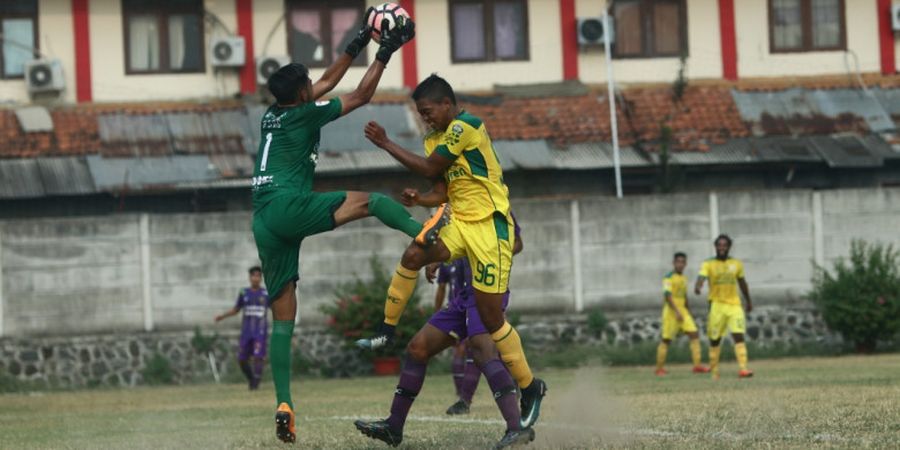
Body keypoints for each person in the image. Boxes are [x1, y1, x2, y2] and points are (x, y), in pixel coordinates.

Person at [251, 11, 423, 443]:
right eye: (309, 85)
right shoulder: (304, 116)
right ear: (302, 94)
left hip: (264, 220)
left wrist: (359, 37)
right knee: (373, 201)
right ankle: (425, 235)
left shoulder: (274, 114)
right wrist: (384, 52)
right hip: (289, 205)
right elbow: (361, 95)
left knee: (283, 317)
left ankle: (284, 403)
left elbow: (326, 81)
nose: (316, 86)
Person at [355, 74, 546, 441]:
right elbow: (441, 188)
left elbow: (429, 168)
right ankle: (386, 331)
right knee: (414, 253)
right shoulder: (434, 137)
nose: (425, 119)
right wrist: (420, 200)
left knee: (489, 326)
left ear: (446, 104)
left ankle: (529, 387)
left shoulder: (467, 125)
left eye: (427, 112)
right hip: (460, 222)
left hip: (490, 230)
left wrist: (386, 143)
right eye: (421, 114)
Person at [354, 222, 531, 448]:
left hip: (486, 292)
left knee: (482, 351)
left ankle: (517, 427)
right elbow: (453, 238)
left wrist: (488, 252)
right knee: (418, 348)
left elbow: (515, 242)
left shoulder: (492, 203)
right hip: (462, 296)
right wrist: (440, 256)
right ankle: (394, 426)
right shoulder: (454, 205)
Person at [694, 234, 754, 380]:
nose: (722, 248)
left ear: (729, 247)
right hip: (716, 305)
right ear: (715, 247)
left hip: (734, 304)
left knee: (738, 335)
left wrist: (748, 301)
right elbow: (701, 277)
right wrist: (698, 285)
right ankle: (714, 371)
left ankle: (743, 369)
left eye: (724, 245)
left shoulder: (736, 264)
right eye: (719, 245)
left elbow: (742, 283)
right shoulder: (708, 264)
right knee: (715, 339)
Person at [214, 266, 270, 389]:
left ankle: (256, 383)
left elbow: (276, 310)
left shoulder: (266, 293)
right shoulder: (244, 293)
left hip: (260, 331)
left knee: (258, 357)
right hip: (246, 331)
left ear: (261, 278)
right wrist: (222, 316)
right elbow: (236, 309)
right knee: (242, 359)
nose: (256, 278)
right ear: (249, 278)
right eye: (253, 276)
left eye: (258, 276)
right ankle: (251, 378)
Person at [655, 253, 709, 376]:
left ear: (685, 264)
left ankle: (697, 366)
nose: (680, 264)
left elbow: (684, 296)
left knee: (694, 334)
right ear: (674, 263)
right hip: (671, 311)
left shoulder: (684, 278)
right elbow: (667, 296)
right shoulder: (668, 277)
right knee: (666, 339)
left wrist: (688, 311)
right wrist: (677, 311)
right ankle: (659, 368)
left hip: (683, 311)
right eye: (678, 261)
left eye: (682, 262)